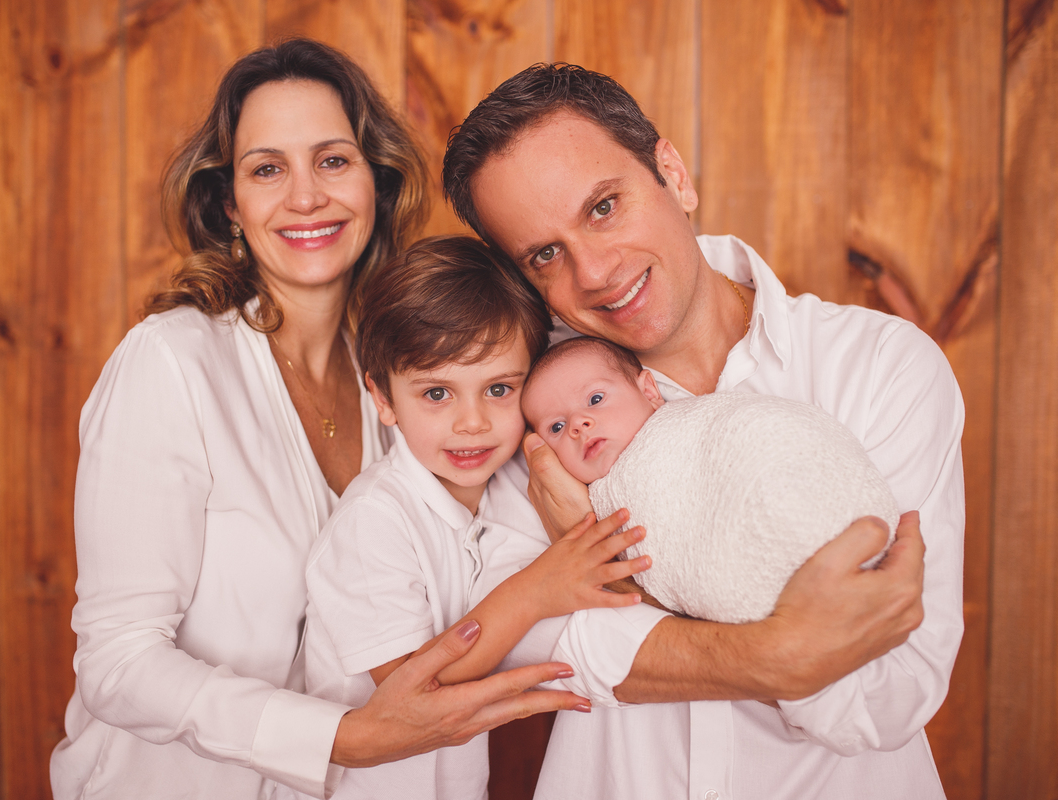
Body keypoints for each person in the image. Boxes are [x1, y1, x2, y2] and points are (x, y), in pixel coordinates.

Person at [49, 42, 586, 800]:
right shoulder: (170, 364)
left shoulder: (414, 375)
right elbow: (118, 663)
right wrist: (345, 738)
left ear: (378, 180)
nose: (306, 197)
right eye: (268, 169)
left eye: (333, 160)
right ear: (231, 202)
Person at [442, 63, 963, 798]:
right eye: (545, 255)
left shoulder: (878, 366)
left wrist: (604, 571)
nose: (593, 271)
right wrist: (782, 651)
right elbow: (534, 642)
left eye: (603, 207)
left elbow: (891, 692)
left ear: (672, 174)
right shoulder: (532, 404)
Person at [303, 236, 651, 799]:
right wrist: (536, 592)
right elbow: (413, 696)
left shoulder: (505, 494)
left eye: (498, 389)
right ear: (383, 398)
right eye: (437, 393)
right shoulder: (373, 522)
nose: (472, 423)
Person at [521, 335, 900, 624]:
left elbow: (765, 437)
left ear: (649, 392)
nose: (578, 425)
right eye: (556, 426)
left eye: (596, 399)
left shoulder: (696, 423)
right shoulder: (583, 505)